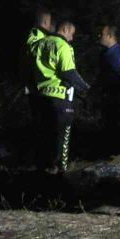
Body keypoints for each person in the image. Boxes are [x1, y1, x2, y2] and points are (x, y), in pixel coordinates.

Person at [31, 20, 90, 174]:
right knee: (61, 138)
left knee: (44, 136)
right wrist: (86, 89)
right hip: (60, 98)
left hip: (41, 96)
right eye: (71, 34)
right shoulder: (62, 45)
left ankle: (42, 170)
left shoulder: (40, 44)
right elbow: (68, 72)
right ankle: (60, 172)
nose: (71, 38)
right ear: (64, 29)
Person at [20, 7, 54, 164]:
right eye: (50, 22)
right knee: (40, 123)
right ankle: (38, 159)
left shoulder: (40, 36)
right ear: (46, 22)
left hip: (39, 88)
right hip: (36, 89)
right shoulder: (35, 35)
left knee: (44, 123)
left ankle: (42, 157)